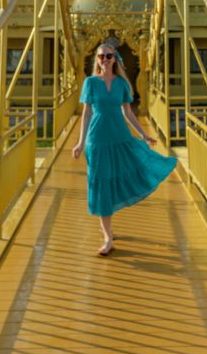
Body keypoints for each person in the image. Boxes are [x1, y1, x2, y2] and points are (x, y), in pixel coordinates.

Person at [72, 42, 177, 255]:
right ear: (97, 60)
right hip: (97, 139)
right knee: (101, 181)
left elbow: (128, 113)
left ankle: (106, 226)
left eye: (108, 56)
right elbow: (86, 114)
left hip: (120, 137)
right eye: (100, 57)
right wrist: (80, 142)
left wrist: (143, 134)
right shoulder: (90, 83)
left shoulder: (122, 84)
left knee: (122, 174)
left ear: (115, 59)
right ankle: (108, 236)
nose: (104, 60)